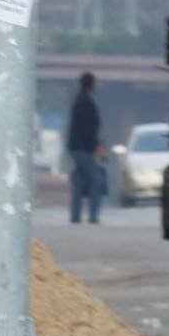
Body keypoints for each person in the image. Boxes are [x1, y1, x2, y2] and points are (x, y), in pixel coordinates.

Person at [67, 71, 106, 224]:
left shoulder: (80, 100)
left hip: (78, 148)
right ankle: (93, 216)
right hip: (84, 149)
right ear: (90, 85)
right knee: (97, 181)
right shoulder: (85, 103)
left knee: (80, 181)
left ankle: (76, 216)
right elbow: (87, 130)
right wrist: (98, 148)